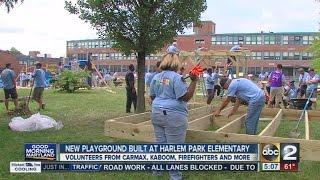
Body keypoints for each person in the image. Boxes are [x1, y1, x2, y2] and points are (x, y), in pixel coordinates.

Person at [149, 54, 198, 180]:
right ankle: (175, 177)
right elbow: (185, 97)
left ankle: (157, 172)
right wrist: (194, 81)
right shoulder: (177, 78)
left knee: (160, 144)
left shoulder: (156, 77)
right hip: (173, 115)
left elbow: (153, 96)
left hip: (156, 112)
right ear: (176, 64)